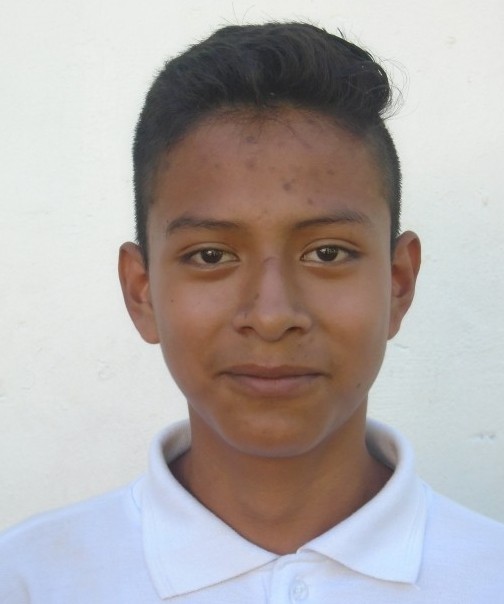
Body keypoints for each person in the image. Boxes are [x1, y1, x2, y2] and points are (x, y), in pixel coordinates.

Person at [1, 22, 503, 603]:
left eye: (327, 253)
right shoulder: (31, 581)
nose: (271, 316)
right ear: (142, 293)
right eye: (211, 256)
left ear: (398, 284)